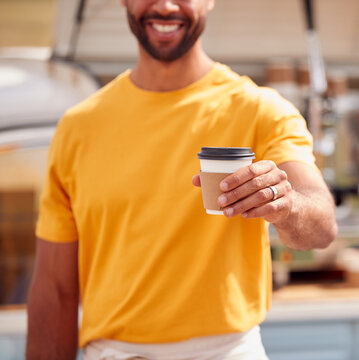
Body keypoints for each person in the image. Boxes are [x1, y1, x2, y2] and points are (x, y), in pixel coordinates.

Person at [26, 0, 337, 359]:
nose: (166, 5)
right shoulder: (78, 128)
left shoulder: (261, 111)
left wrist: (288, 204)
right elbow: (55, 289)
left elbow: (321, 226)